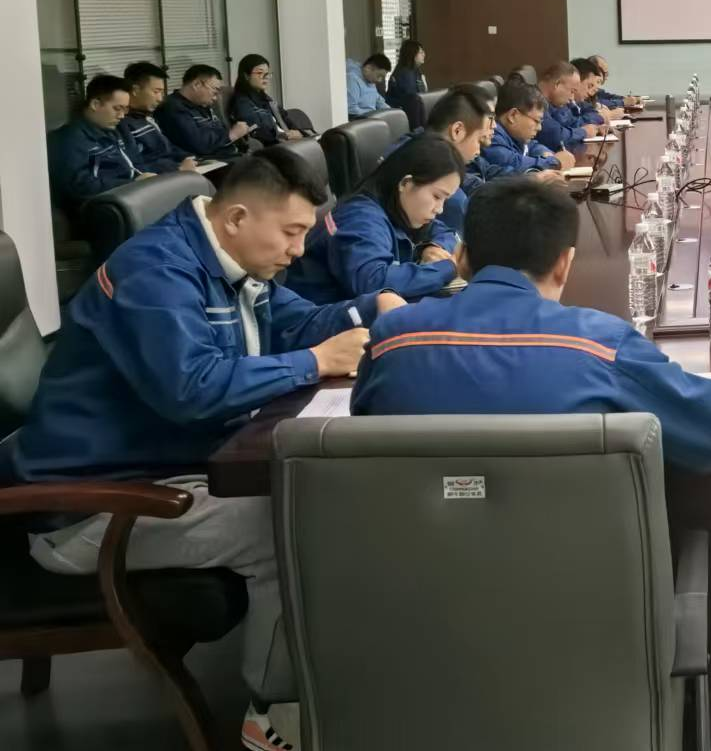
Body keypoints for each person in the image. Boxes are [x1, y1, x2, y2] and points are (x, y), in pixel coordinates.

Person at [3, 148, 402, 751]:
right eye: (291, 232)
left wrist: (374, 307)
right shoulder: (155, 273)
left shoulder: (227, 262)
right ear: (237, 217)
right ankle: (276, 714)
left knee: (318, 495)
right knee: (286, 526)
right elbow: (190, 390)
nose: (299, 250)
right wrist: (314, 362)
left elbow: (295, 323)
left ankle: (330, 677)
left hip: (159, 468)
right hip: (88, 509)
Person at [353, 177, 711, 471]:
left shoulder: (392, 339)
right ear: (564, 263)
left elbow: (362, 437)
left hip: (412, 559)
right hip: (574, 561)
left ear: (462, 259)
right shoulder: (600, 345)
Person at [287, 134, 464, 304]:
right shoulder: (360, 219)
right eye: (436, 196)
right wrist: (447, 268)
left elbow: (443, 231)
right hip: (323, 319)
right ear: (405, 183)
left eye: (445, 200)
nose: (439, 209)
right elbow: (374, 282)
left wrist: (433, 247)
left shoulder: (400, 208)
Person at [383, 83, 495, 234]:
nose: (479, 150)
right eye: (478, 140)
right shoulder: (416, 158)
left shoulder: (439, 155)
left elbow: (470, 182)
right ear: (457, 131)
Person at [47, 75, 143, 212]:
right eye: (117, 108)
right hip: (103, 209)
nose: (122, 116)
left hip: (129, 198)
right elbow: (80, 187)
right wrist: (133, 184)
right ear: (95, 104)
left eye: (125, 109)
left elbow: (134, 164)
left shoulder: (112, 130)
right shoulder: (69, 139)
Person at [121, 61, 197, 175]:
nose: (160, 99)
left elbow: (168, 148)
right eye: (156, 92)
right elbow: (136, 166)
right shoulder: (121, 123)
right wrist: (177, 168)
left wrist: (189, 158)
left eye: (162, 92)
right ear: (135, 90)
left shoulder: (146, 117)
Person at [160, 64, 250, 161]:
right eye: (215, 91)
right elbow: (200, 145)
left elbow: (220, 131)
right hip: (207, 162)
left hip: (226, 155)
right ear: (196, 85)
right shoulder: (173, 108)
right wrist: (233, 134)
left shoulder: (202, 104)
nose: (215, 98)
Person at [482, 81, 568, 177]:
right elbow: (515, 164)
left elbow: (532, 145)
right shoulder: (492, 136)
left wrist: (544, 153)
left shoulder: (516, 136)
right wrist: (554, 161)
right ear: (513, 115)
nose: (539, 128)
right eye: (537, 121)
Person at [228, 54, 301, 147]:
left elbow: (285, 118)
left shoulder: (266, 98)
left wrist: (298, 132)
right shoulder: (242, 102)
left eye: (267, 74)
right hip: (273, 148)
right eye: (260, 73)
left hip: (289, 144)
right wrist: (284, 136)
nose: (265, 77)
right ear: (246, 75)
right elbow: (259, 133)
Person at [535, 61, 592, 153]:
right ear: (557, 84)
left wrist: (590, 128)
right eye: (572, 91)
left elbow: (568, 123)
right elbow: (555, 136)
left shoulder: (551, 103)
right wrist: (584, 132)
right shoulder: (534, 101)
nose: (571, 98)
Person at [345, 53, 391, 119]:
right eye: (379, 76)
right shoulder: (352, 79)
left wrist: (390, 111)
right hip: (359, 120)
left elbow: (378, 100)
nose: (379, 80)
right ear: (368, 68)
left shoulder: (370, 81)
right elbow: (351, 109)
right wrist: (373, 114)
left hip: (370, 119)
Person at [386, 39, 428, 108]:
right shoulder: (405, 74)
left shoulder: (414, 70)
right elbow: (414, 99)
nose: (424, 55)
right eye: (421, 52)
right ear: (412, 54)